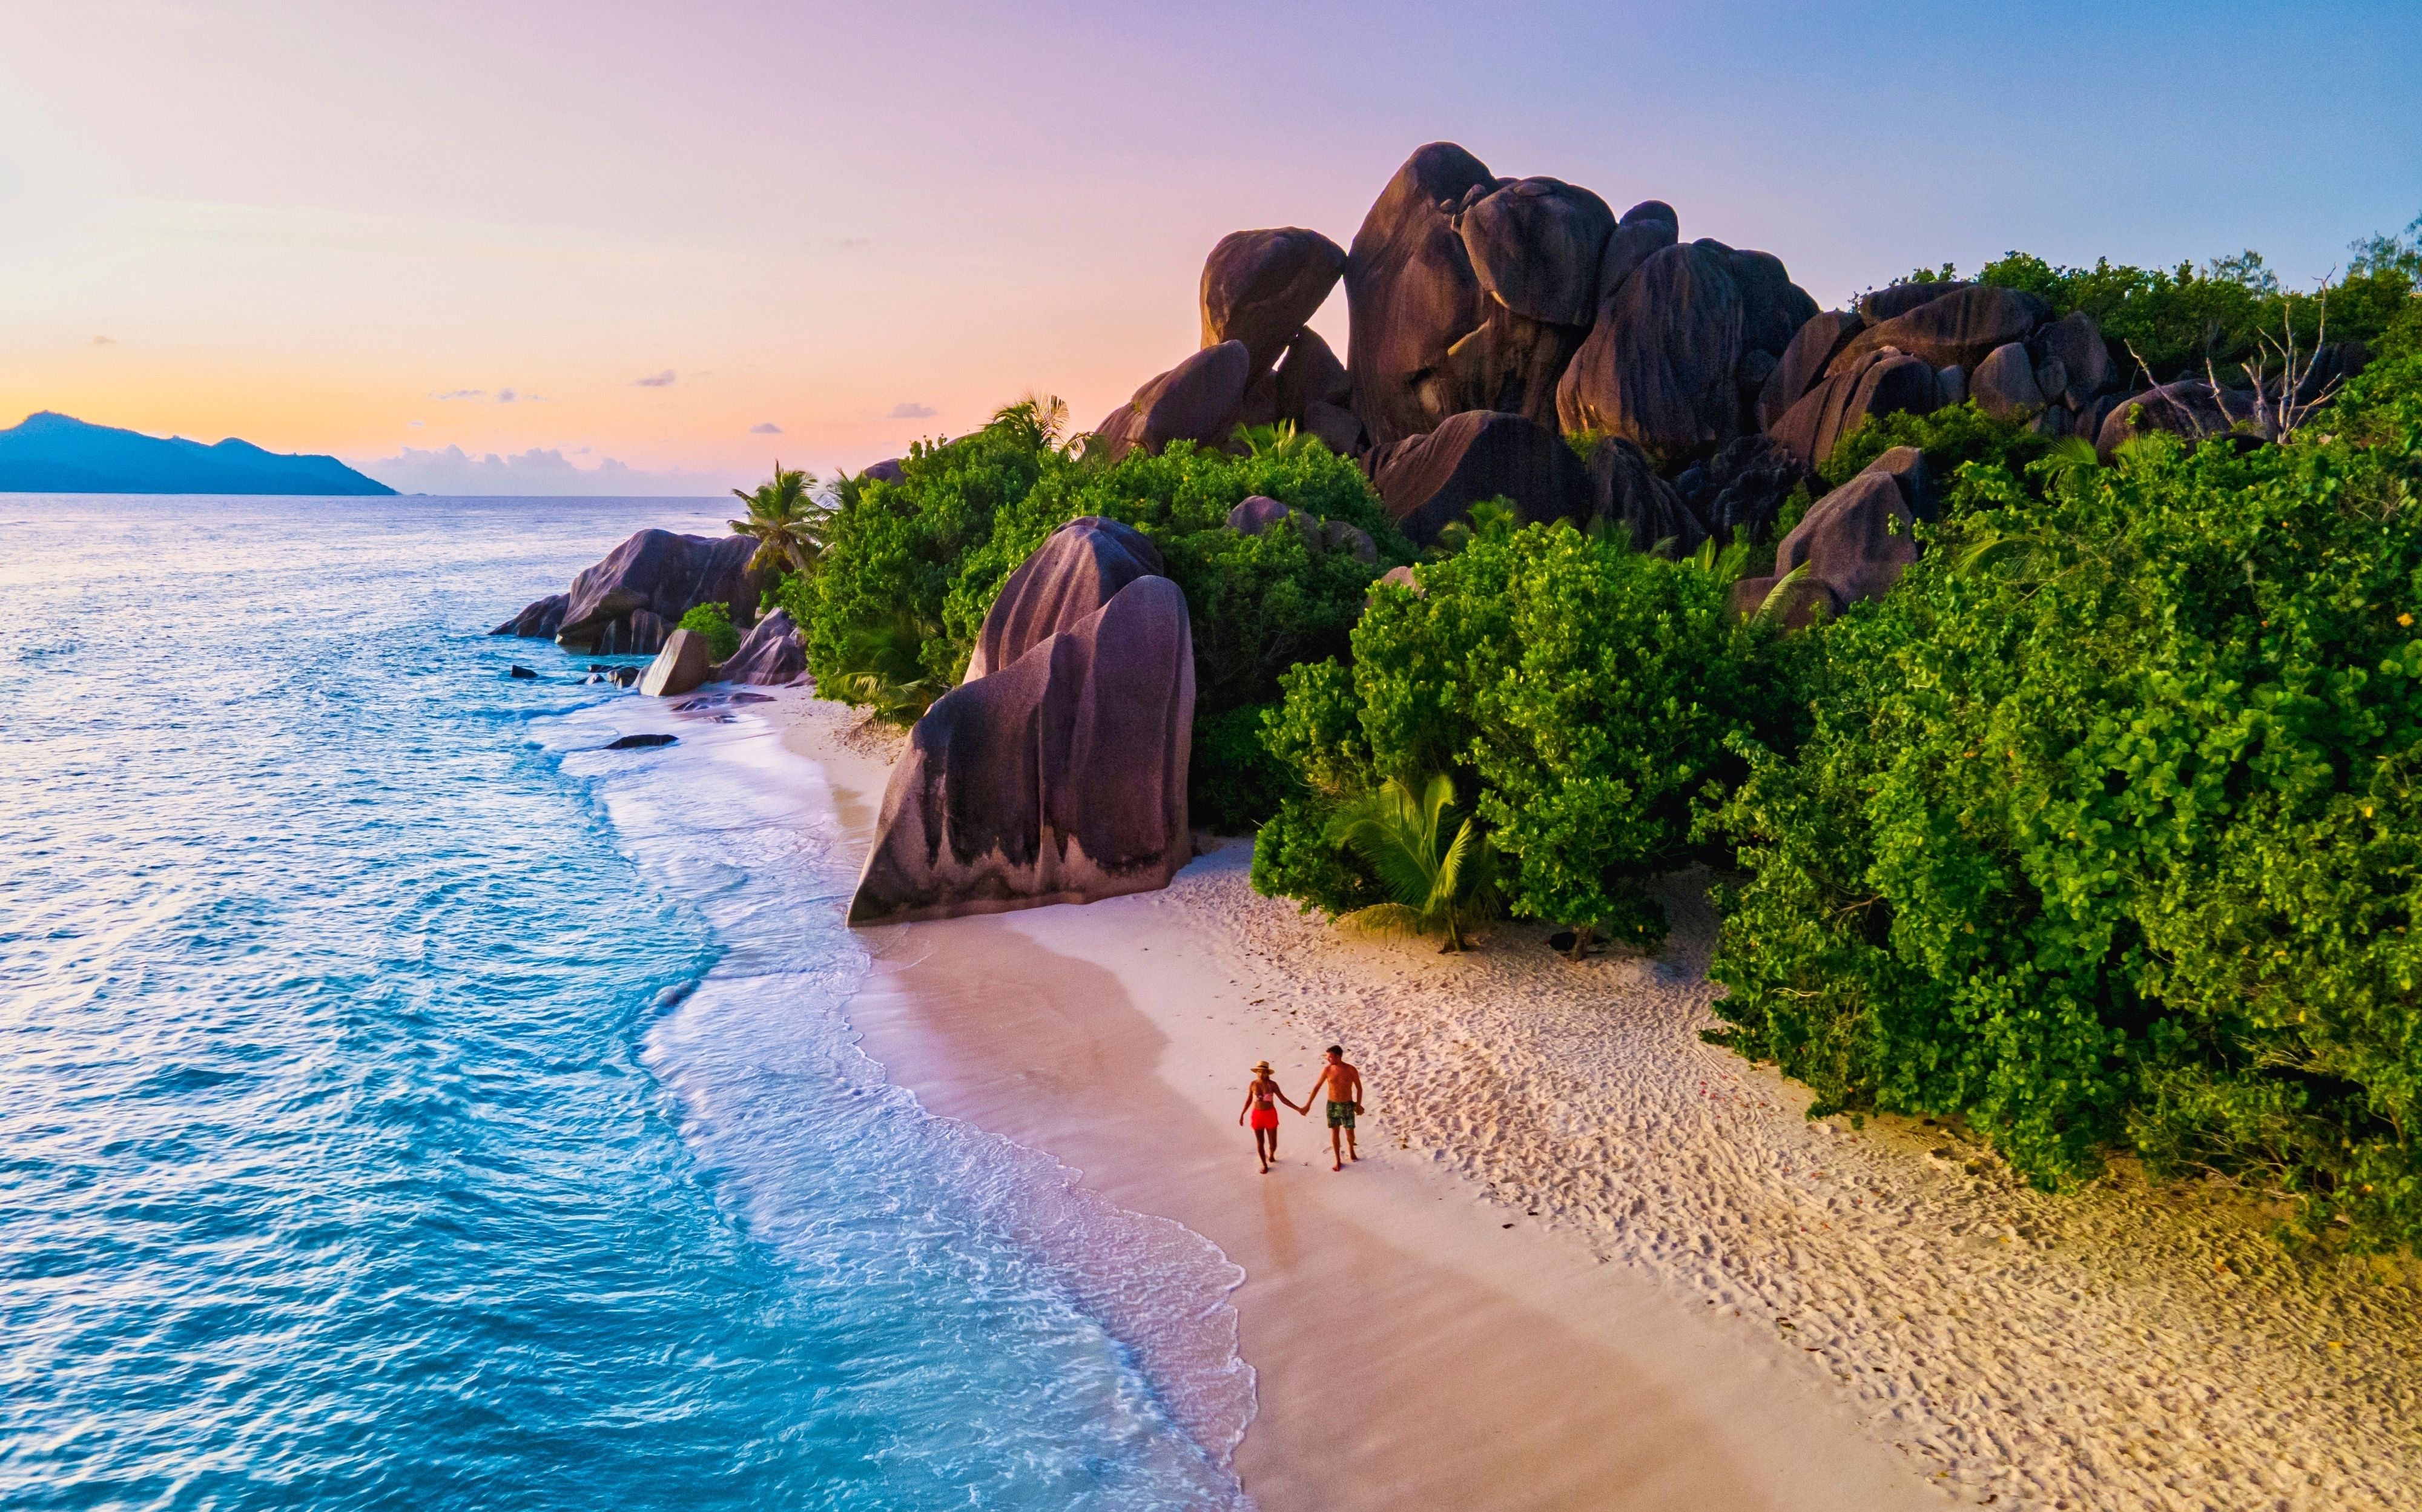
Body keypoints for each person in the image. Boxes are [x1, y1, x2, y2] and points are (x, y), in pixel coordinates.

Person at [1302, 1045, 1363, 1170]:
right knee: (1335, 1132)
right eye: (1327, 1057)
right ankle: (1338, 1160)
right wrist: (1308, 1105)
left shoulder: (1350, 1069)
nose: (1328, 1059)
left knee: (1350, 1132)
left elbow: (1359, 1088)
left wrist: (1358, 1105)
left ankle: (1351, 1148)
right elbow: (1317, 1087)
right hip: (1332, 1105)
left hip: (1347, 1105)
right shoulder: (1327, 1070)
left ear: (1338, 1057)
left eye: (1330, 1057)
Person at [1237, 1060, 1303, 1174]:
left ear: (1268, 1073)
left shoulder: (1272, 1085)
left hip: (1270, 1115)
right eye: (1259, 1071)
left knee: (1273, 1143)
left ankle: (1271, 1154)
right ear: (1257, 1072)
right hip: (1257, 1115)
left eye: (1264, 1072)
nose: (1261, 1074)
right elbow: (1249, 1100)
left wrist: (1298, 1109)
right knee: (1260, 1142)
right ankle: (1264, 1164)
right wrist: (1242, 1114)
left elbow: (1283, 1099)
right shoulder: (1253, 1084)